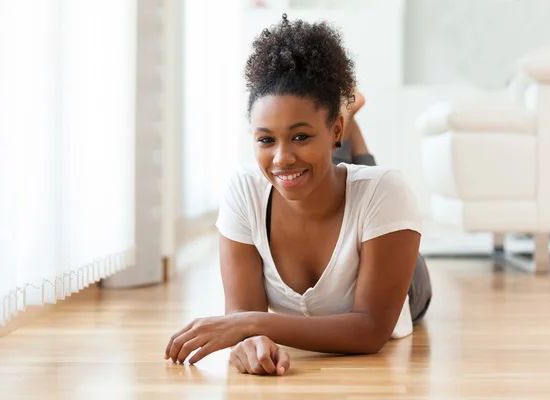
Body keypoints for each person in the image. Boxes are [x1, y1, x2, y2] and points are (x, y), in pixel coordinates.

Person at [164, 14, 432, 376]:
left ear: (333, 128)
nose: (279, 155)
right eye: (265, 139)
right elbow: (245, 321)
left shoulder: (389, 192)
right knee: (306, 169)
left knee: (367, 180)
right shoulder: (244, 191)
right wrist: (250, 344)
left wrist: (247, 326)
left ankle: (347, 119)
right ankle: (337, 120)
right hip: (328, 164)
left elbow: (370, 331)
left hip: (404, 287)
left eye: (299, 135)